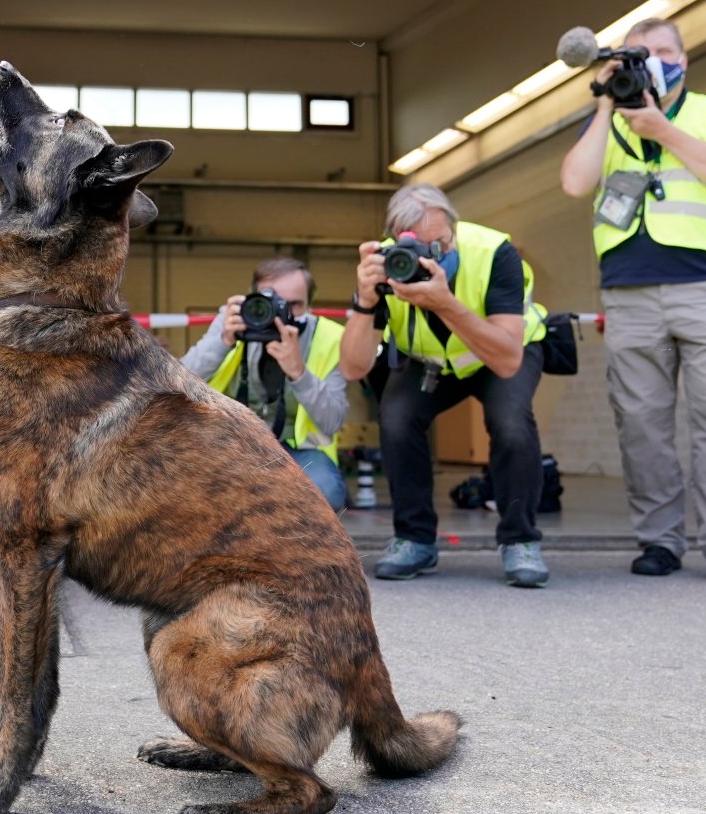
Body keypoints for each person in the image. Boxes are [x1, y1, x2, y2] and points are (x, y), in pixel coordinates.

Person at [560, 17, 706, 588]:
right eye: (639, 53)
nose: (651, 60)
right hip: (630, 295)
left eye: (663, 51)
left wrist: (662, 129)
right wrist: (605, 105)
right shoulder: (610, 118)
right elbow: (575, 182)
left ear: (683, 59)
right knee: (641, 425)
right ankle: (660, 541)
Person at [338, 185, 551, 588]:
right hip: (430, 361)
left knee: (511, 423)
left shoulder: (494, 253)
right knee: (397, 418)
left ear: (455, 231)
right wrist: (365, 301)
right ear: (397, 241)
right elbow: (353, 368)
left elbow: (507, 360)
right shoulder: (384, 263)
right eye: (419, 248)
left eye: (441, 244)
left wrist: (444, 302)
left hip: (501, 353)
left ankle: (520, 539)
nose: (430, 257)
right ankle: (415, 539)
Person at [180, 258, 349, 511]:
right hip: (231, 445)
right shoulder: (234, 320)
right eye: (271, 301)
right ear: (253, 297)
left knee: (327, 489)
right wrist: (223, 341)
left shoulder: (330, 337)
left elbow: (333, 420)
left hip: (299, 450)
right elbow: (177, 384)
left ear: (310, 306)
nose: (282, 312)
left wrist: (299, 373)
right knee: (183, 487)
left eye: (294, 305)